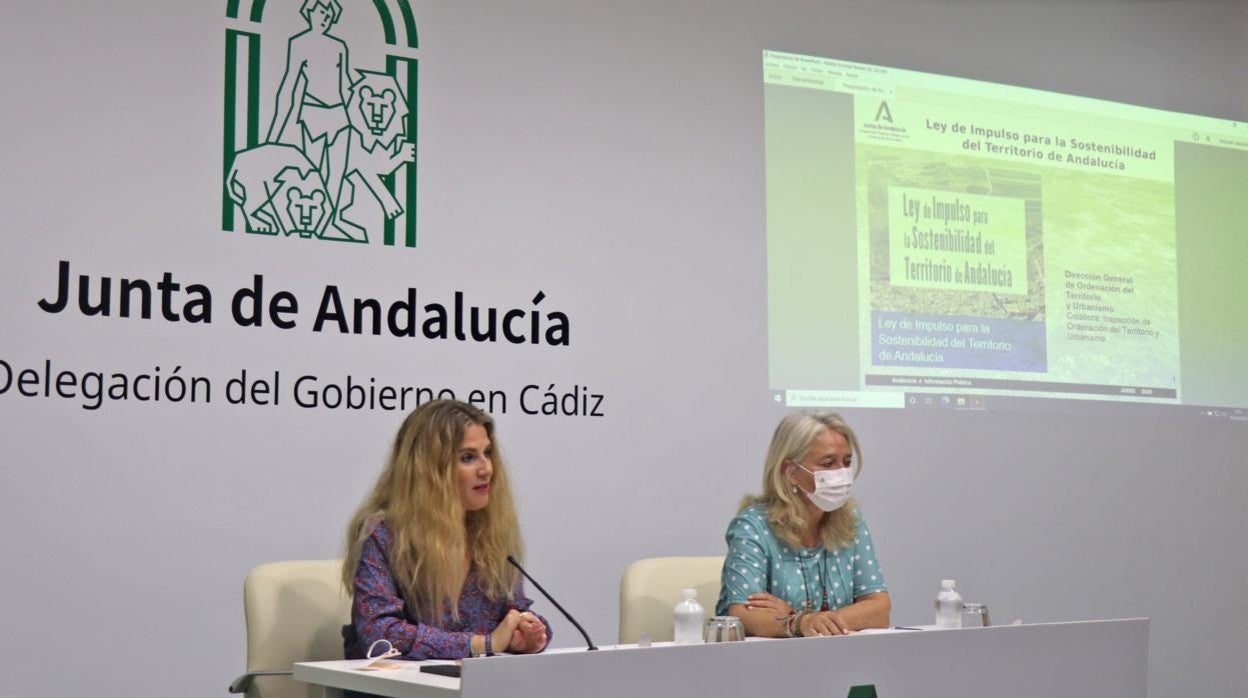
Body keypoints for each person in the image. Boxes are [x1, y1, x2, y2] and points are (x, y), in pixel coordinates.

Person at [341, 400, 550, 662]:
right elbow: (380, 636)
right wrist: (483, 643)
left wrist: (528, 633)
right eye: (468, 457)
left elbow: (513, 610)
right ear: (428, 470)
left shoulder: (489, 534)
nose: (486, 469)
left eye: (487, 453)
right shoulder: (383, 534)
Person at [716, 411, 890, 637]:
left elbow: (879, 610)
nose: (841, 473)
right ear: (790, 472)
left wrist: (800, 618)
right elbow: (742, 616)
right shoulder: (753, 527)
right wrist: (801, 622)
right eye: (828, 463)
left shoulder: (851, 522)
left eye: (846, 462)